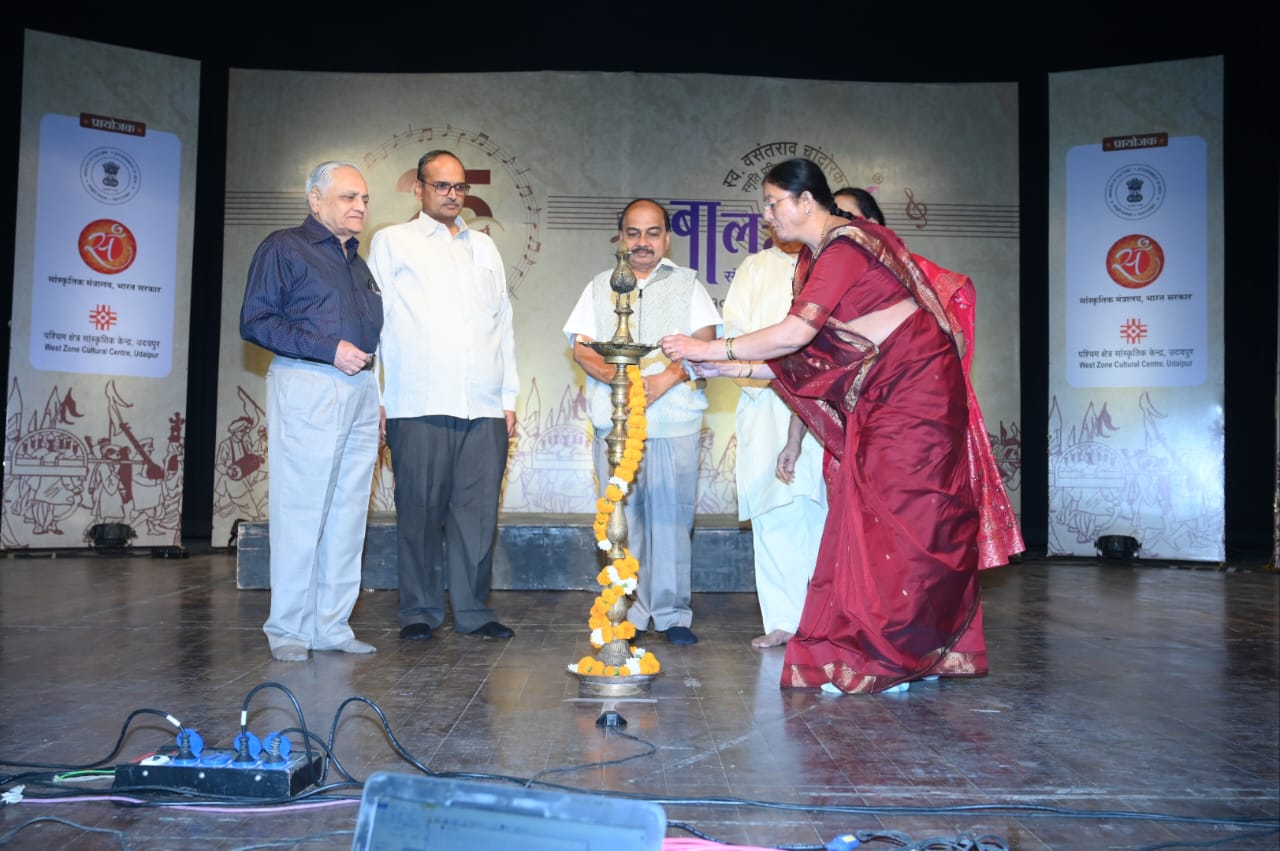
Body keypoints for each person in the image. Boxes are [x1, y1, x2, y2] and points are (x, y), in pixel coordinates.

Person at [660, 159, 984, 693]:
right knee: (882, 523)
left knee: (903, 524)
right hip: (883, 398)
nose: (766, 215)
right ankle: (909, 654)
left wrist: (710, 348)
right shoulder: (820, 258)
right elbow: (815, 358)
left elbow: (795, 335)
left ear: (806, 201)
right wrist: (728, 368)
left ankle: (890, 660)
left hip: (914, 397)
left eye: (773, 203)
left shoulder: (845, 247)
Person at [367, 149, 518, 642]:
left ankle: (474, 610)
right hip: (417, 402)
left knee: (477, 516)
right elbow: (374, 324)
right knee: (419, 513)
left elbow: (504, 326)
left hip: (483, 404)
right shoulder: (393, 242)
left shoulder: (485, 248)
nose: (453, 195)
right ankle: (419, 610)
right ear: (419, 188)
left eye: (460, 187)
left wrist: (508, 397)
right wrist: (377, 396)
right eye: (442, 186)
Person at [833, 188, 1026, 569]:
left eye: (845, 216)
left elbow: (951, 342)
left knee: (917, 535)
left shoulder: (912, 272)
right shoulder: (840, 276)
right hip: (858, 424)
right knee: (864, 540)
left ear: (871, 224)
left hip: (911, 426)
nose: (837, 226)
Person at [240, 160, 382, 663]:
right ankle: (288, 629)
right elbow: (255, 321)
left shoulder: (358, 262)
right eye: (348, 197)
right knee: (301, 511)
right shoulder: (285, 247)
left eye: (364, 198)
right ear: (315, 200)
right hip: (309, 382)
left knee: (348, 514)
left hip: (361, 389)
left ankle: (331, 625)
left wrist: (377, 396)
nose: (360, 206)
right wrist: (328, 349)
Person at [564, 199, 720, 646]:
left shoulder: (688, 284)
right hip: (615, 425)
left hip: (675, 423)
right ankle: (625, 613)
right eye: (633, 233)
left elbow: (705, 342)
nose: (643, 242)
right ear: (621, 238)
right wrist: (624, 383)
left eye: (653, 233)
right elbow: (582, 349)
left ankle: (671, 615)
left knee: (672, 522)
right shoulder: (600, 286)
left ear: (666, 238)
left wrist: (662, 381)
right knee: (622, 522)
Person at [722, 233, 828, 649]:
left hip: (822, 402)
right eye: (769, 208)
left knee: (822, 511)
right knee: (773, 513)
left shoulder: (829, 264)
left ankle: (824, 620)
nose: (776, 217)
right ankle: (784, 620)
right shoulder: (755, 267)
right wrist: (774, 377)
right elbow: (734, 335)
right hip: (765, 401)